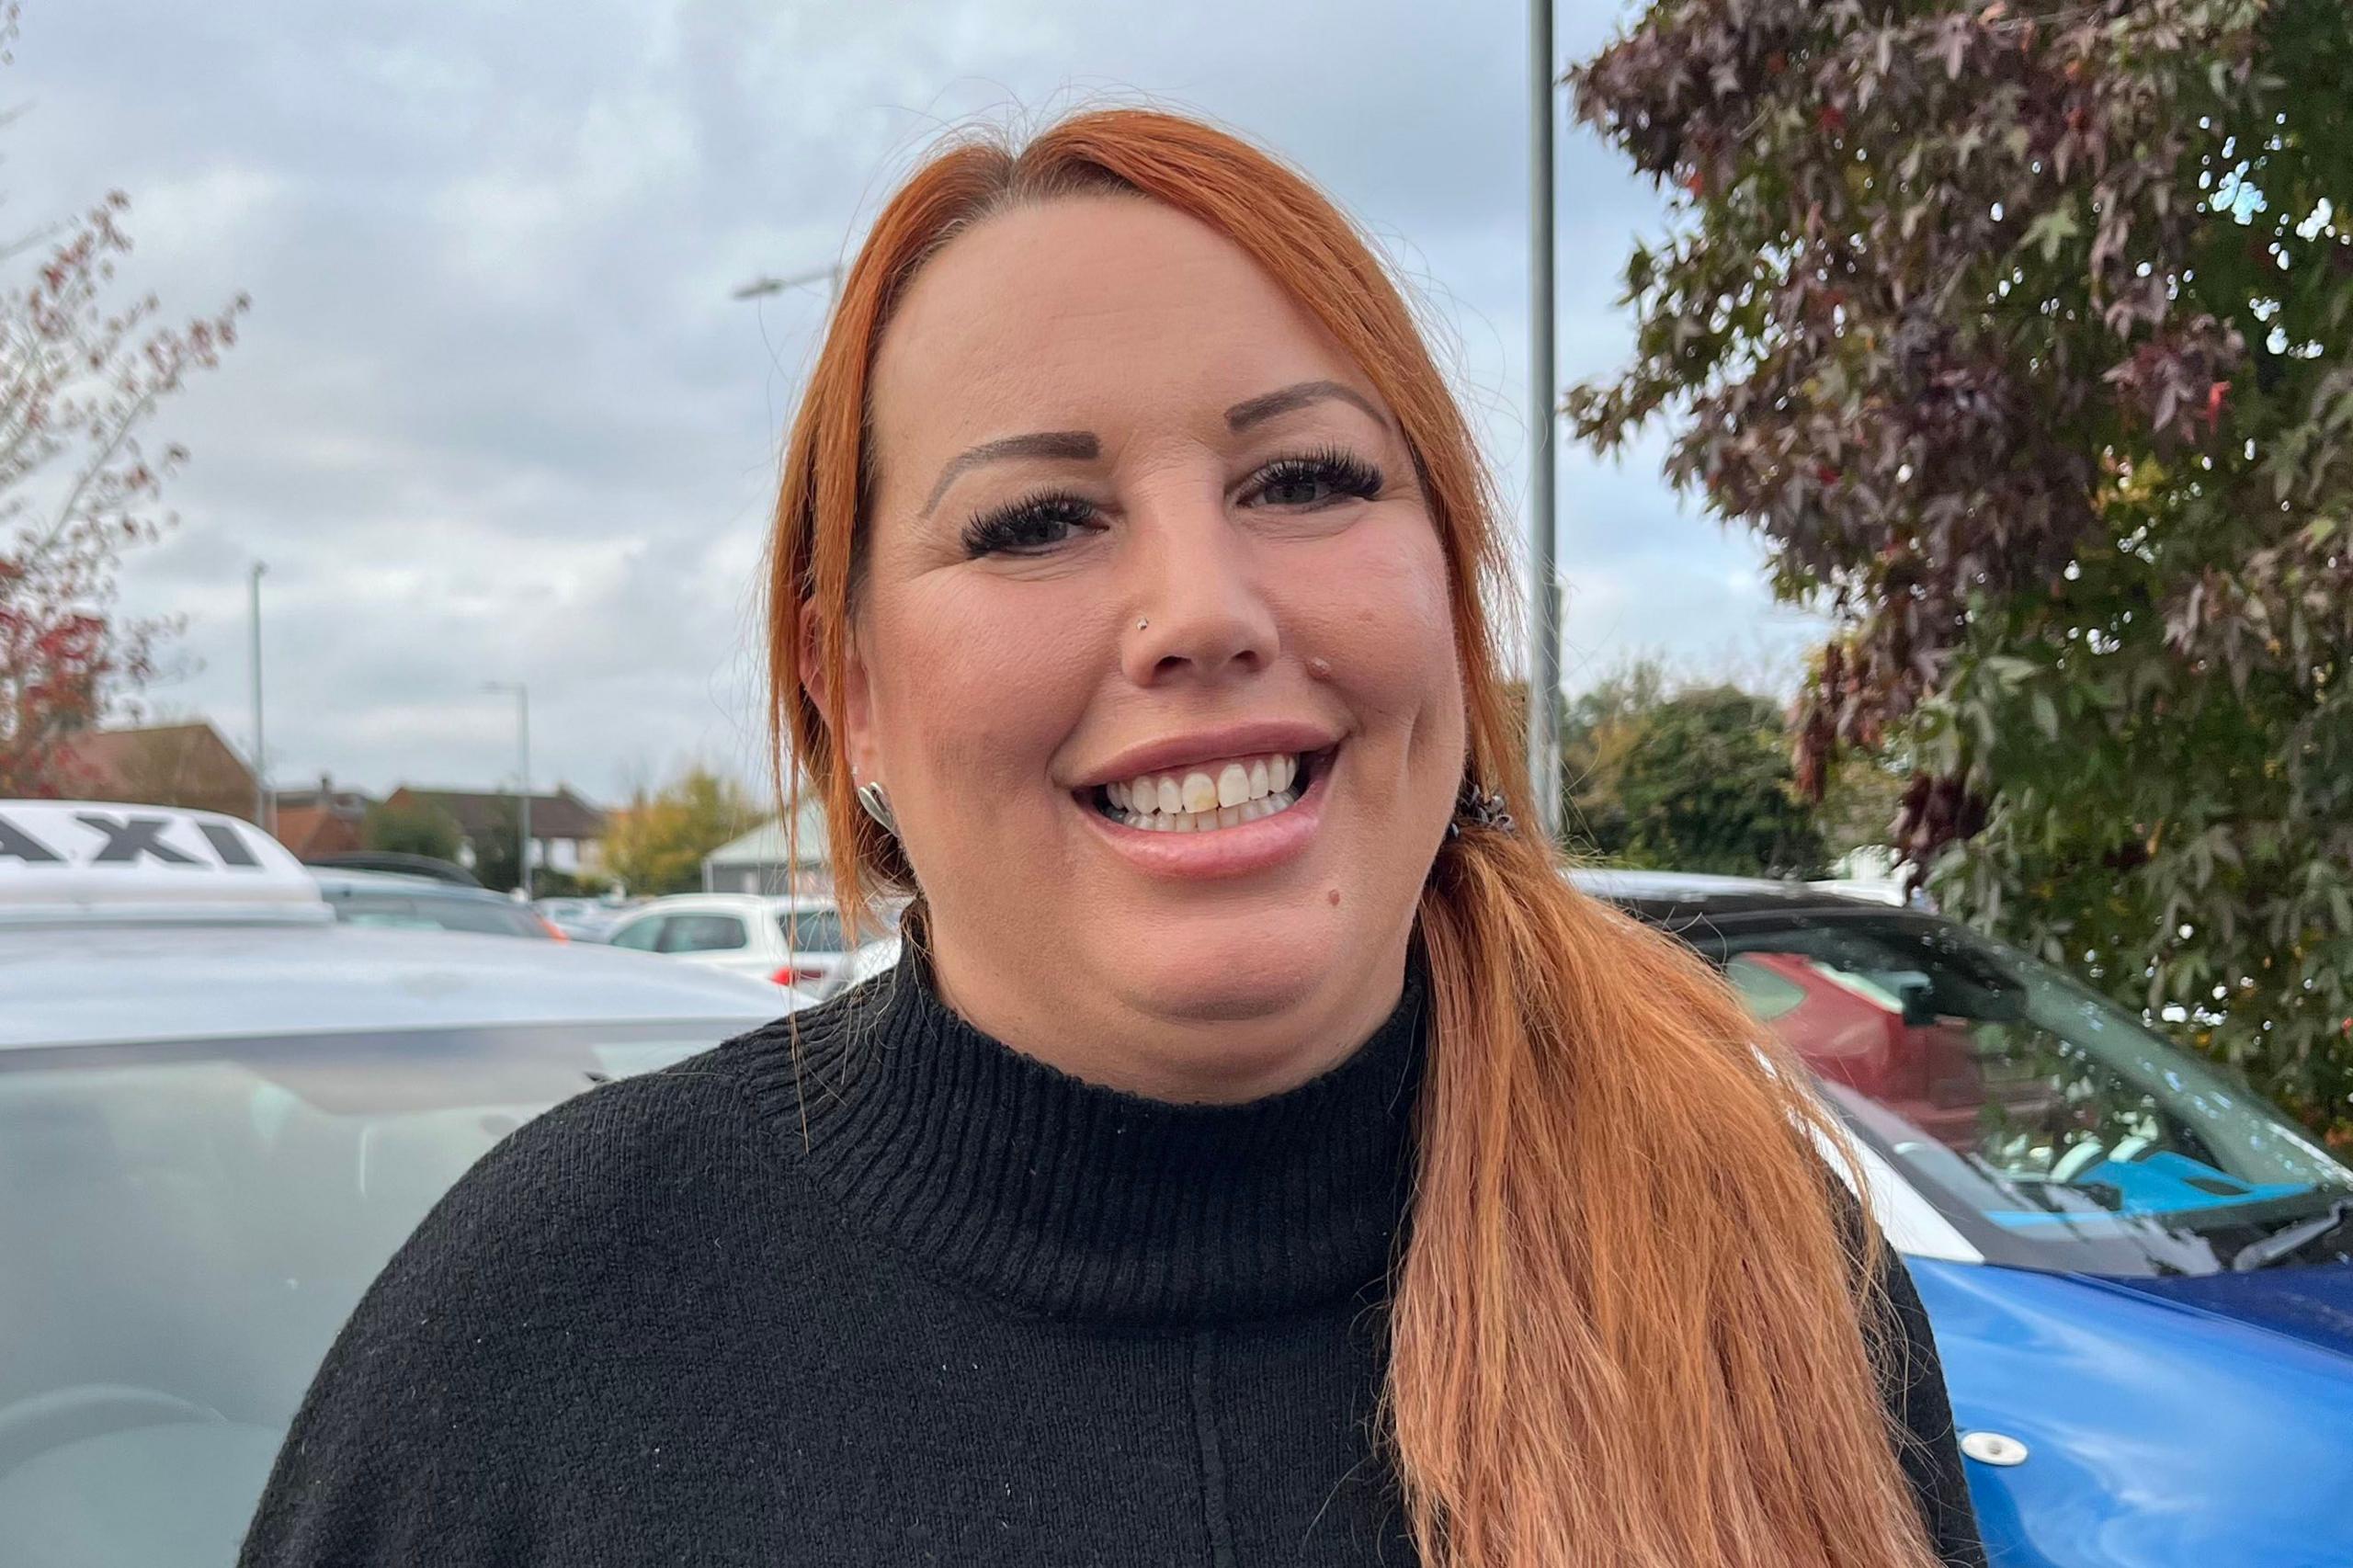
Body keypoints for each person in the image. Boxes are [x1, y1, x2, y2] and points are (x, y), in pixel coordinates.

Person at [241, 108, 1985, 1568]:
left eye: (1305, 481)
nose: (1200, 610)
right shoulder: (540, 1337)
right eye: (1038, 520)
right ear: (846, 688)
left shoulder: (1749, 1258)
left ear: (1450, 593)